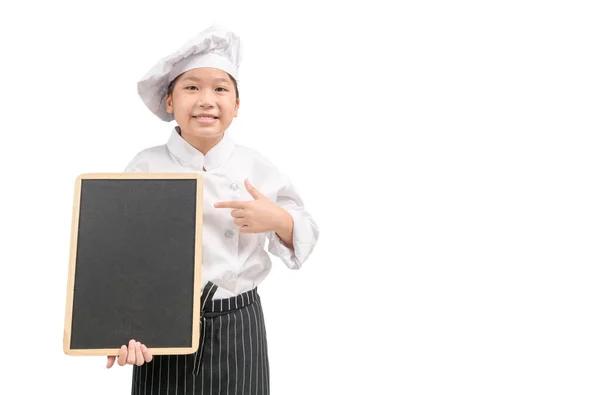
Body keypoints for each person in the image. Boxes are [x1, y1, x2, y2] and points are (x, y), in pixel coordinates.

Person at [104, 25, 319, 394]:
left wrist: (279, 220)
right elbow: (121, 258)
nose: (206, 99)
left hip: (239, 320)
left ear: (237, 106)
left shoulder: (256, 167)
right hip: (161, 326)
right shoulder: (146, 166)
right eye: (191, 87)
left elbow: (306, 230)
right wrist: (121, 329)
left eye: (220, 88)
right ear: (169, 102)